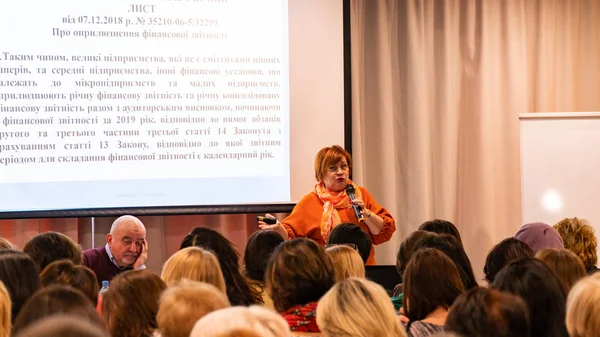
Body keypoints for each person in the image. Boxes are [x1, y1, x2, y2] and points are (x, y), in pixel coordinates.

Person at [259, 145, 396, 264]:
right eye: (333, 168)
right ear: (321, 174)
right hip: (325, 271)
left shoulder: (361, 195)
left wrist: (367, 214)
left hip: (362, 270)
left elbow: (383, 233)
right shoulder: (310, 202)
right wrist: (278, 228)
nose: (340, 172)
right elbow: (290, 237)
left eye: (343, 166)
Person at [82, 215, 148, 284]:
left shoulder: (137, 265)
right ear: (110, 240)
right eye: (127, 241)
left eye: (138, 243)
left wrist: (139, 269)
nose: (133, 249)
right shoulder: (86, 260)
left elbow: (150, 294)